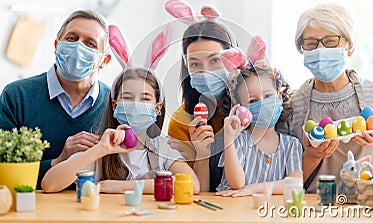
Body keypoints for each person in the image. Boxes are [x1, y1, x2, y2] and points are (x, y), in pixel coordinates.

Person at [289, 4, 373, 193]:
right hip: (314, 212)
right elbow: (285, 181)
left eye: (330, 41)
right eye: (311, 43)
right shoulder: (293, 103)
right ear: (302, 50)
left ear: (350, 47)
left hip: (371, 209)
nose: (320, 49)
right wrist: (311, 156)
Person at [41, 67, 200, 194]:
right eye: (128, 98)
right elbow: (49, 184)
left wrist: (124, 187)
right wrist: (100, 150)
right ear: (115, 106)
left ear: (157, 108)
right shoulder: (101, 146)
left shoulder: (163, 147)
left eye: (145, 99)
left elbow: (192, 184)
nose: (136, 104)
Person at [0, 10, 112, 187]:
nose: (78, 47)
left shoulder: (114, 102)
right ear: (56, 46)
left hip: (93, 207)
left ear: (104, 61)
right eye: (72, 38)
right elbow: (4, 172)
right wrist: (59, 160)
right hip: (30, 208)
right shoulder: (16, 96)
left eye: (90, 43)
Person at [215, 48, 302, 197]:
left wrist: (254, 188)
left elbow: (296, 184)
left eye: (268, 96)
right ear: (241, 107)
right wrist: (228, 138)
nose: (262, 104)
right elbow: (237, 184)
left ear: (279, 97)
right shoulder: (239, 141)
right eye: (253, 101)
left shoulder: (291, 145)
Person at [168, 20, 235, 192]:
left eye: (214, 60)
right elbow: (194, 190)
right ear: (186, 67)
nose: (205, 72)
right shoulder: (181, 121)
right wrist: (201, 155)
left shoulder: (253, 105)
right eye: (195, 64)